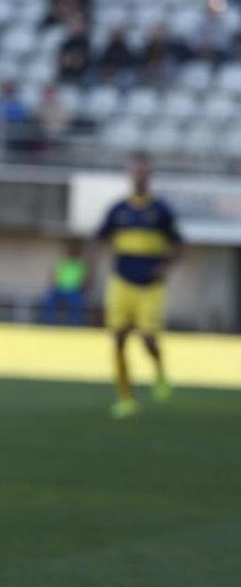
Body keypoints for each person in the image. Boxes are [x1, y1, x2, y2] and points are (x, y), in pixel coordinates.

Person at [96, 151, 184, 419]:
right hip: (122, 282)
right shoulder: (118, 209)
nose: (139, 176)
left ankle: (159, 373)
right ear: (129, 174)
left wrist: (165, 266)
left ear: (150, 175)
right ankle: (126, 398)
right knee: (119, 339)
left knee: (148, 338)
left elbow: (179, 245)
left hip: (150, 285)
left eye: (143, 171)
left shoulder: (161, 210)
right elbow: (100, 238)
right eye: (135, 171)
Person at [40, 238, 90, 326]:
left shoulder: (81, 263)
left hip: (74, 290)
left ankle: (73, 326)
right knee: (48, 301)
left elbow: (85, 279)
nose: (71, 252)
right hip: (59, 289)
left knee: (76, 304)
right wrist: (52, 286)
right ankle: (48, 325)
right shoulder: (62, 261)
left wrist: (82, 288)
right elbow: (53, 275)